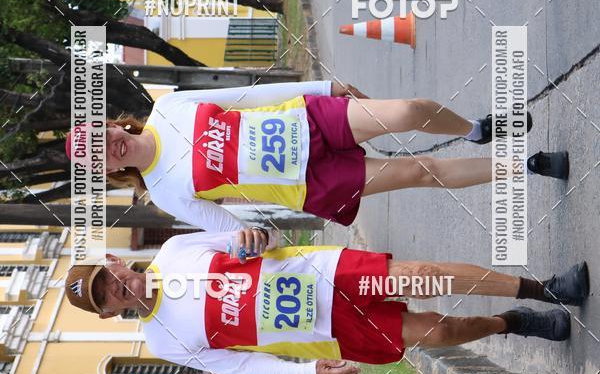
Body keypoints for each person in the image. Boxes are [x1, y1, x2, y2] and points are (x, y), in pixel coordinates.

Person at [65, 81, 566, 252]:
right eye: (100, 155)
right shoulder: (165, 192)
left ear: (112, 125)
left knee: (409, 111)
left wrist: (324, 89)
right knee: (419, 172)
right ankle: (524, 165)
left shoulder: (169, 107)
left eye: (102, 136)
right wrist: (245, 240)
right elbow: (227, 227)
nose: (110, 147)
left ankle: (475, 128)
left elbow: (245, 96)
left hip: (308, 122)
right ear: (107, 170)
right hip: (309, 183)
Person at [64, 231, 589, 374]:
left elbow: (256, 234)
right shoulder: (163, 341)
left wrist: (255, 236)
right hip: (325, 329)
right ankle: (511, 323)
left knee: (427, 277)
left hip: (322, 272)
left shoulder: (177, 250)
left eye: (107, 278)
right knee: (437, 331)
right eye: (105, 297)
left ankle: (542, 288)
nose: (115, 288)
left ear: (114, 262)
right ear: (111, 314)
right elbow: (240, 364)